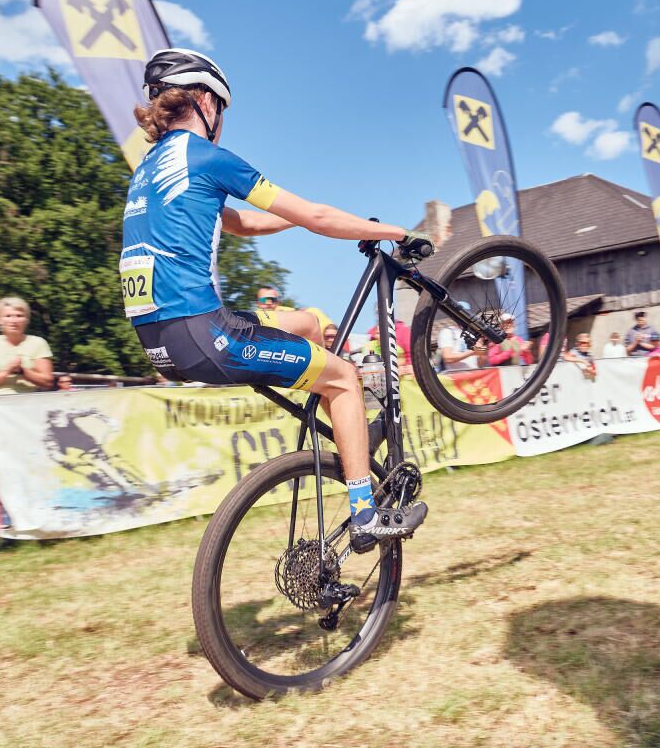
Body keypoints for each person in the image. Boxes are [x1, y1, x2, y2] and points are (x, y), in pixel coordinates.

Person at [119, 48, 431, 551]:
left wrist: (297, 219)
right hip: (203, 333)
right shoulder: (207, 157)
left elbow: (242, 223)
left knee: (309, 324)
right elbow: (319, 217)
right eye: (222, 109)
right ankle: (365, 513)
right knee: (344, 378)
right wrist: (395, 232)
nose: (222, 121)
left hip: (162, 339)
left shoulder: (150, 169)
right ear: (205, 102)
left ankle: (348, 429)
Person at [0, 297, 54, 394]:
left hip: (29, 399)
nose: (14, 320)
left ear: (27, 320)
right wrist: (7, 371)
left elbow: (47, 382)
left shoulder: (38, 343)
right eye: (8, 316)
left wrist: (22, 371)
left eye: (19, 316)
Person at [436, 304, 487, 373]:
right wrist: (473, 352)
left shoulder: (474, 333)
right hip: (456, 376)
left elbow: (480, 364)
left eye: (467, 314)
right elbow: (448, 358)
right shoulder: (447, 332)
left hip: (474, 375)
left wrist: (483, 354)